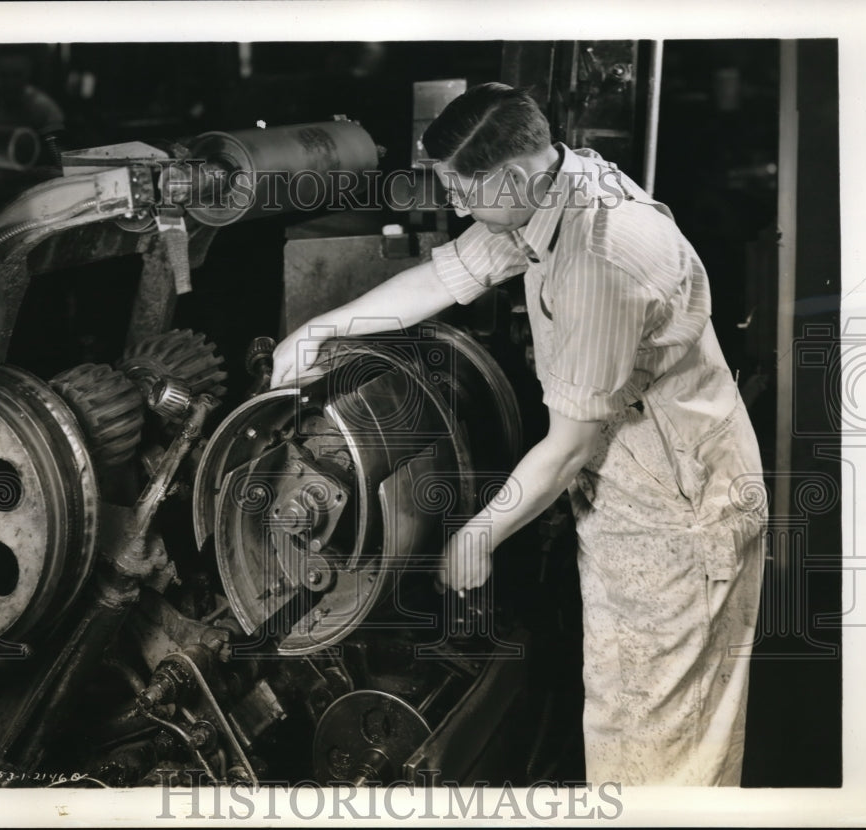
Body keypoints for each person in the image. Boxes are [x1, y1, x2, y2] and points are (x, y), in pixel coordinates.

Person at [270, 82, 766, 786]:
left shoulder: (599, 256)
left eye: (461, 188)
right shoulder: (556, 185)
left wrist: (478, 534)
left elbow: (565, 449)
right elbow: (445, 278)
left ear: (510, 174)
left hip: (678, 518)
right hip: (652, 486)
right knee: (645, 727)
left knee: (658, 745)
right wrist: (322, 329)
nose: (455, 205)